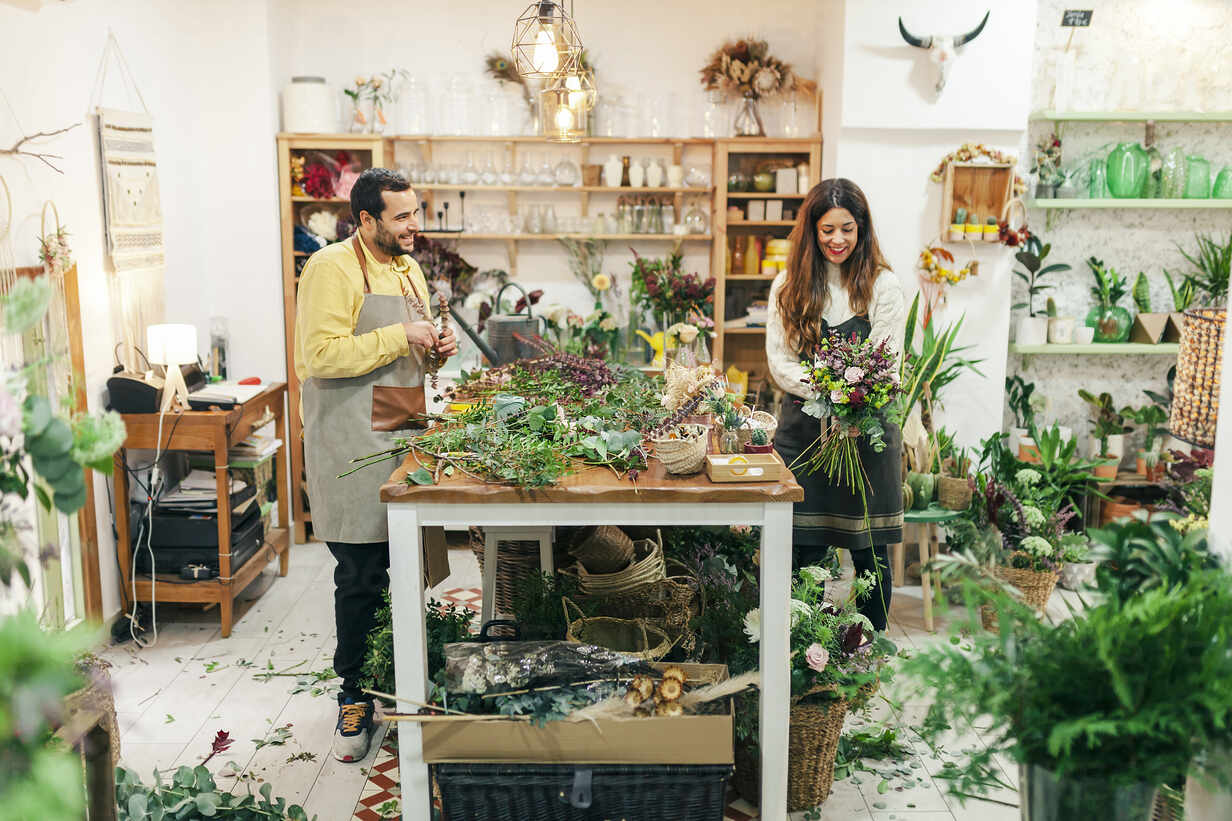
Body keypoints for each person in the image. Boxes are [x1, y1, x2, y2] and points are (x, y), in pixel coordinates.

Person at [294, 168, 457, 762]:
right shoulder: (330, 269)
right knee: (360, 576)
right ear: (365, 220)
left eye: (416, 213)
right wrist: (401, 334)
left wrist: (433, 348)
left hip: (398, 429)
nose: (415, 226)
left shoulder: (407, 267)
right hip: (350, 440)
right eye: (402, 216)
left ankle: (398, 679)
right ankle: (353, 697)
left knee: (403, 566)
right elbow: (319, 355)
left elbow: (411, 358)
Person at [766, 178, 905, 631]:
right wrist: (832, 391)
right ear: (812, 230)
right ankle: (804, 650)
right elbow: (781, 362)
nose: (837, 240)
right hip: (805, 434)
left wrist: (853, 401)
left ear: (861, 229)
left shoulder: (884, 286)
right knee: (801, 547)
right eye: (827, 229)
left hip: (866, 436)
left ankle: (869, 655)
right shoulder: (788, 286)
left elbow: (888, 363)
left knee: (869, 550)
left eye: (847, 228)